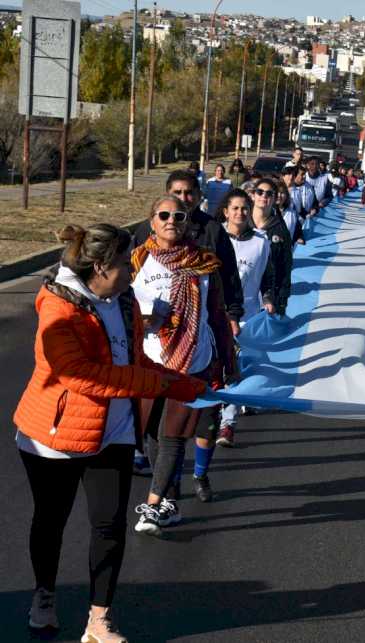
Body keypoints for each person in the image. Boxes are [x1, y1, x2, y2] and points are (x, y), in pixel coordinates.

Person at [15, 224, 205, 641]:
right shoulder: (58, 308)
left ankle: (99, 620)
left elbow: (136, 361)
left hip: (114, 431)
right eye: (123, 263)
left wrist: (184, 383)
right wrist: (159, 386)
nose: (130, 271)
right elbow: (79, 375)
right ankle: (44, 595)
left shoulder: (123, 302)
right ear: (99, 266)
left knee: (109, 524)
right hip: (56, 435)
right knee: (51, 522)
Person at [131, 196, 238, 534]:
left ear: (188, 222)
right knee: (150, 434)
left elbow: (218, 316)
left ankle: (151, 507)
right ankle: (170, 500)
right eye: (164, 215)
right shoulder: (137, 261)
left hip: (194, 360)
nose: (171, 221)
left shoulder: (205, 263)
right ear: (152, 221)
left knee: (172, 435)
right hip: (150, 359)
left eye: (178, 215)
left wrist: (228, 362)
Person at [133, 170, 244, 335]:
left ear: (199, 195)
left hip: (201, 321)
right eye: (177, 192)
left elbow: (229, 274)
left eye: (189, 193)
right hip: (155, 326)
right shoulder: (145, 230)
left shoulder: (212, 229)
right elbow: (131, 274)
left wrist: (233, 314)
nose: (183, 198)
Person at [215, 189, 275, 447]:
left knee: (235, 370)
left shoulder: (261, 242)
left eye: (244, 209)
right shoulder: (214, 237)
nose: (240, 213)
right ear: (226, 211)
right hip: (215, 314)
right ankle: (213, 413)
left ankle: (227, 424)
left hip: (246, 318)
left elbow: (267, 277)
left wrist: (269, 299)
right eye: (235, 208)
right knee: (216, 369)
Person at [250, 177, 294, 316]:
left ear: (275, 199)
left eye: (269, 194)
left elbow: (285, 265)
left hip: (267, 297)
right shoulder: (241, 223)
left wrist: (282, 298)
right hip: (241, 294)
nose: (264, 196)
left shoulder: (280, 230)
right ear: (253, 195)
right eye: (260, 192)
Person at [276, 179, 304, 246]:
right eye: (277, 192)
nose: (279, 195)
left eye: (282, 193)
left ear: (286, 195)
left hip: (287, 251)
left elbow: (297, 231)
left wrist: (299, 238)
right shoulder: (267, 212)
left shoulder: (292, 212)